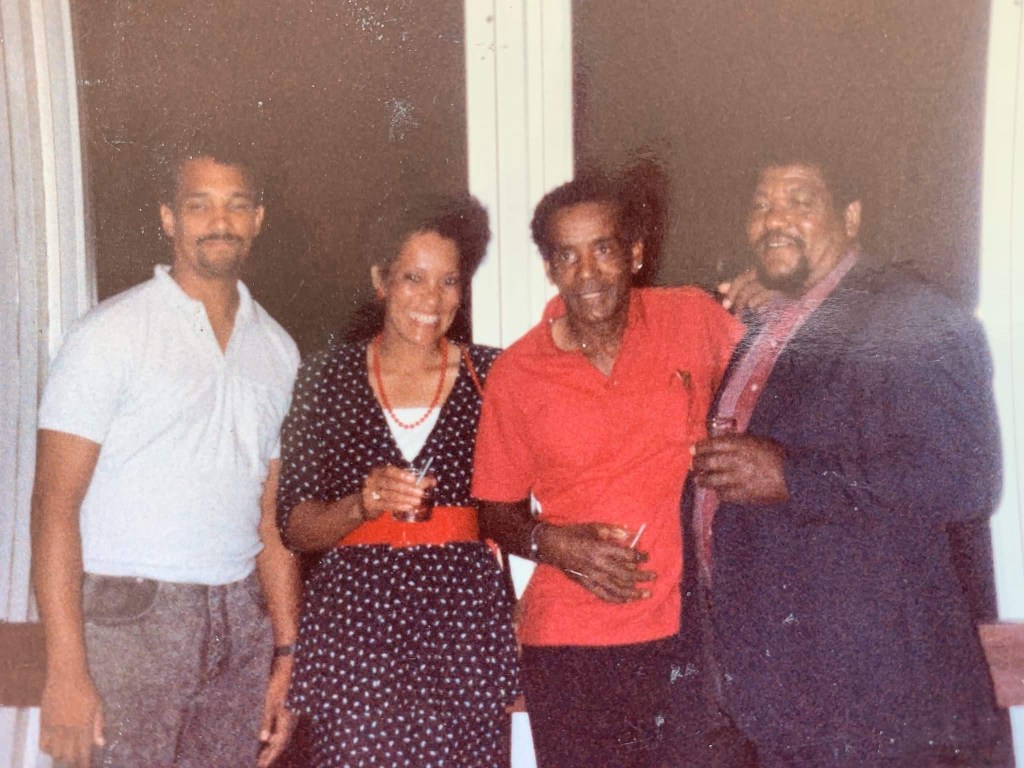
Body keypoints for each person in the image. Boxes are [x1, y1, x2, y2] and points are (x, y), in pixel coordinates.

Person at [678, 144, 1011, 767]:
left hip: (872, 696)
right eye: (761, 205)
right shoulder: (766, 323)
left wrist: (790, 475)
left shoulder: (910, 316)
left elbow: (963, 478)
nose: (774, 219)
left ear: (850, 217)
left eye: (800, 202)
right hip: (777, 694)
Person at [30, 135, 301, 768]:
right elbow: (53, 505)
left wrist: (286, 656)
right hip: (131, 620)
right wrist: (65, 670)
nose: (220, 222)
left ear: (258, 218)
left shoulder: (279, 349)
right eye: (200, 205)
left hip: (240, 622)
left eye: (236, 205)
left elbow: (269, 519)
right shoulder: (111, 333)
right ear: (169, 218)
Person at [471, 173, 742, 768]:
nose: (586, 273)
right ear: (550, 268)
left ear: (635, 253)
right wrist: (554, 544)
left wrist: (759, 293)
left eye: (603, 249)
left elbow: (771, 375)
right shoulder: (518, 374)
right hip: (571, 647)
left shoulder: (691, 319)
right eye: (566, 255)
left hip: (689, 634)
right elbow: (496, 510)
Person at [275, 194, 520, 768]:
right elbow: (296, 527)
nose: (432, 300)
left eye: (449, 282)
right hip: (355, 626)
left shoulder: (494, 373)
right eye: (413, 277)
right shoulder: (326, 377)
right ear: (380, 280)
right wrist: (362, 503)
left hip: (463, 623)